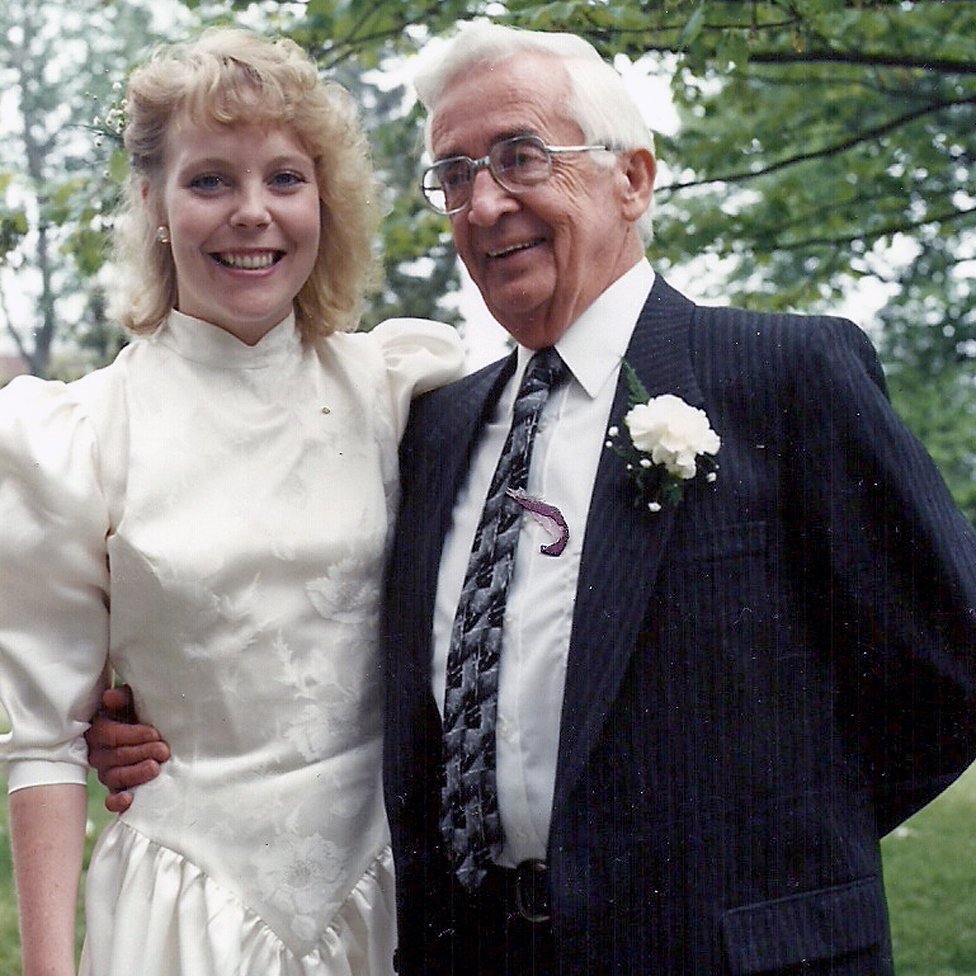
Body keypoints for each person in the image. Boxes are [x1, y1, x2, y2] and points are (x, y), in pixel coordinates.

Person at [87, 21, 976, 976]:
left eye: (520, 157)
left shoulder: (782, 377)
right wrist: (150, 704)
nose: (485, 201)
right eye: (455, 173)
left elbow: (949, 668)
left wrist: (783, 854)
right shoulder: (433, 426)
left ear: (632, 178)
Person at [0, 28, 462, 976]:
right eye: (211, 180)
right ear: (154, 204)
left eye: (285, 179)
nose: (253, 213)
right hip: (185, 914)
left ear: (324, 201)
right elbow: (45, 746)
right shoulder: (79, 436)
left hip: (394, 908)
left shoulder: (400, 391)